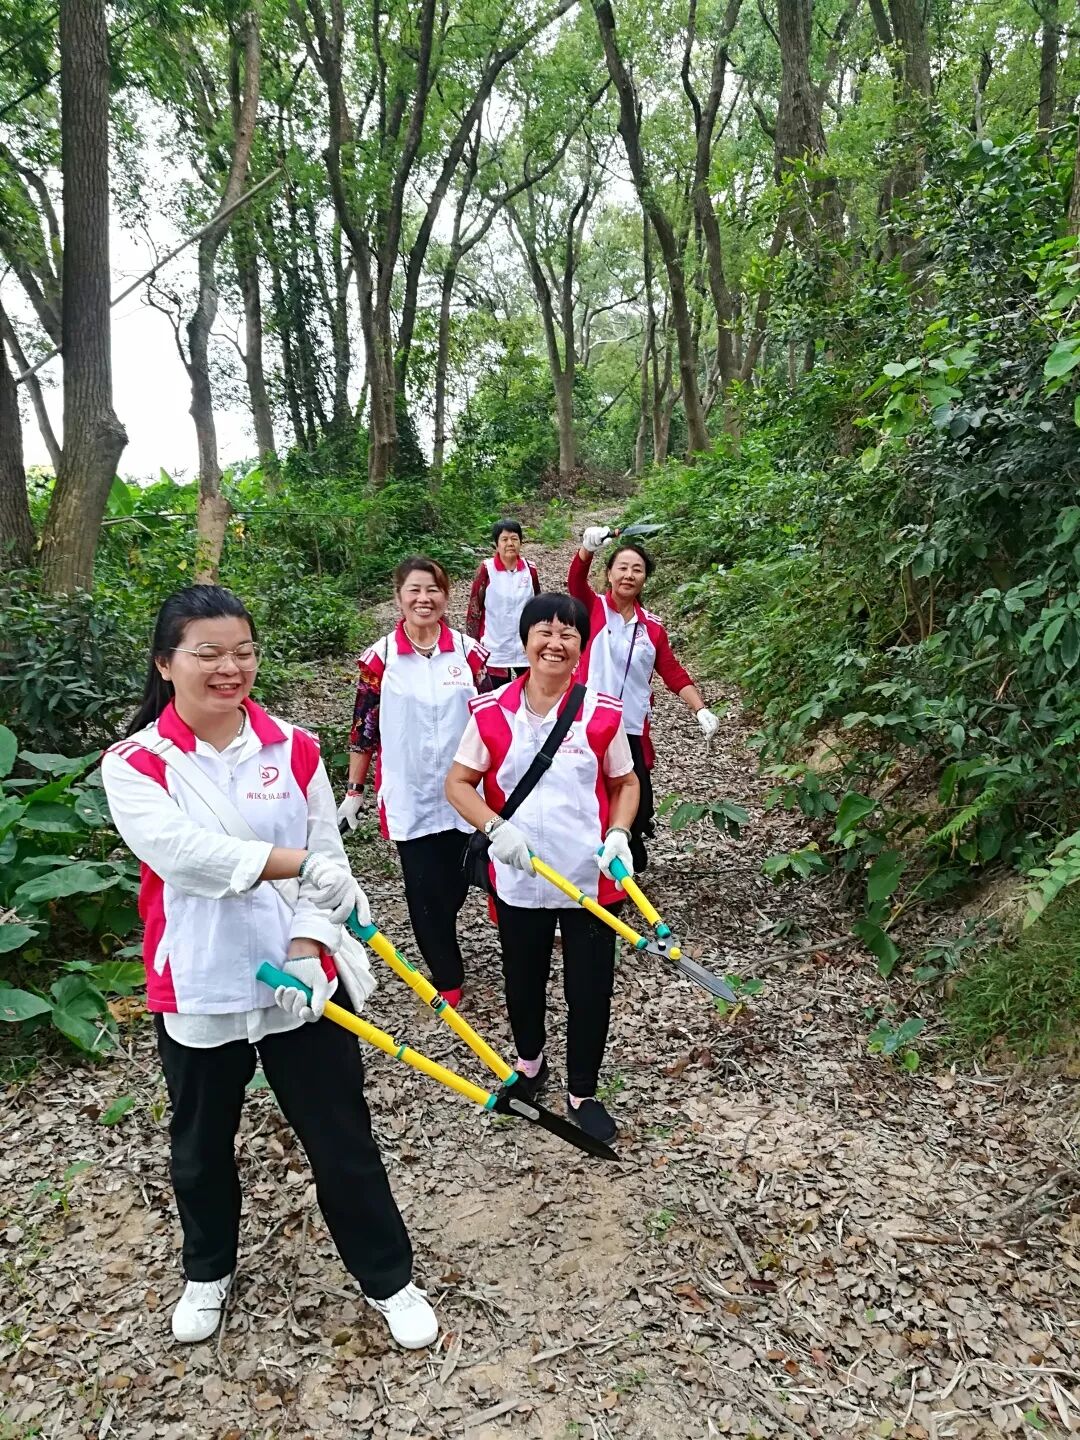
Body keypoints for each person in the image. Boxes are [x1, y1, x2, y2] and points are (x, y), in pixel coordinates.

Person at [101, 585, 437, 1351]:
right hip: (200, 980)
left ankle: (388, 1278)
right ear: (165, 663)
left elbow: (328, 856)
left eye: (244, 652)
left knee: (342, 1138)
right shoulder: (134, 764)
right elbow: (185, 857)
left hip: (299, 979)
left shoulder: (294, 746)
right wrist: (294, 864)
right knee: (199, 1146)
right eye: (209, 653)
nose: (230, 668)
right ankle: (207, 1271)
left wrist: (309, 945)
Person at [445, 593, 640, 1145]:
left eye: (568, 634)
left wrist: (619, 833)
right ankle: (530, 1065)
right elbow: (458, 784)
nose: (555, 643)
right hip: (520, 877)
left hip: (589, 880)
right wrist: (493, 827)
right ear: (525, 640)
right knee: (523, 979)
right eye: (544, 632)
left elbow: (626, 782)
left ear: (581, 646)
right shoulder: (490, 711)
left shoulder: (602, 712)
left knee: (590, 988)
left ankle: (583, 1091)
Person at [337, 556, 488, 1010]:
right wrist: (354, 792)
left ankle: (445, 931)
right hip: (409, 792)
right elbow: (364, 728)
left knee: (457, 883)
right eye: (415, 590)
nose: (424, 599)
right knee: (423, 889)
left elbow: (492, 720)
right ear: (399, 596)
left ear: (446, 596)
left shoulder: (469, 654)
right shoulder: (379, 659)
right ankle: (447, 974)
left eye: (433, 590)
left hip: (464, 792)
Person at [568, 527, 720, 872]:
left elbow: (672, 671)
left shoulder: (652, 627)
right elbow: (576, 583)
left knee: (637, 796)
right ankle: (585, 859)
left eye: (637, 569)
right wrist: (586, 550)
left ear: (645, 579)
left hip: (631, 727)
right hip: (588, 720)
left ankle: (626, 846)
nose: (629, 575)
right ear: (609, 574)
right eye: (622, 567)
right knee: (587, 790)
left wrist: (700, 709)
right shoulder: (593, 609)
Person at [465, 518, 541, 684]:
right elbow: (474, 609)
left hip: (525, 646)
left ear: (521, 542)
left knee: (529, 690)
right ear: (496, 544)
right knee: (497, 693)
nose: (510, 544)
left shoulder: (530, 569)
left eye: (514, 539)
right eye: (504, 539)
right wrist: (472, 647)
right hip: (495, 647)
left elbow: (538, 605)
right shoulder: (487, 569)